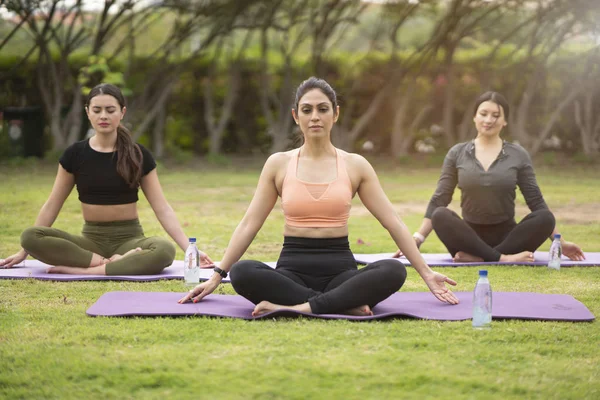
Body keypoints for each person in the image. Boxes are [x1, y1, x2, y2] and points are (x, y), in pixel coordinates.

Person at [179, 77, 459, 316]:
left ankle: (300, 307)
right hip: (292, 269)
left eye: (323, 109)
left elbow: (393, 223)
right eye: (307, 110)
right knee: (242, 272)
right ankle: (342, 304)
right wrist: (218, 275)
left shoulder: (355, 165)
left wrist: (426, 273)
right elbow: (249, 223)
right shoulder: (278, 164)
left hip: (341, 271)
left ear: (335, 114)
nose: (315, 116)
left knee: (393, 270)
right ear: (295, 116)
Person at [0, 83, 213, 274]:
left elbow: (162, 208)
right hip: (89, 242)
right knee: (30, 236)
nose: (103, 116)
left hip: (130, 240)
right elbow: (52, 204)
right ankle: (109, 263)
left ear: (122, 113)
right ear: (87, 113)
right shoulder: (74, 154)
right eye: (97, 110)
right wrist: (23, 252)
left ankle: (87, 271)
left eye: (110, 110)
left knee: (164, 250)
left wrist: (189, 249)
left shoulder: (139, 154)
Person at [395, 91, 585, 263]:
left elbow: (536, 201)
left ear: (505, 121)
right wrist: (417, 238)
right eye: (483, 113)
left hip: (509, 238)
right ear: (474, 117)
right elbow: (440, 198)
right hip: (467, 239)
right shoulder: (457, 153)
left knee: (545, 217)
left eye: (496, 115)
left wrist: (560, 242)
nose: (489, 120)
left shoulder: (518, 154)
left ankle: (481, 258)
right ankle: (501, 258)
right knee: (440, 214)